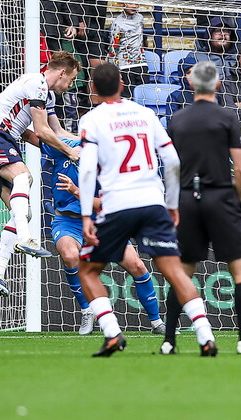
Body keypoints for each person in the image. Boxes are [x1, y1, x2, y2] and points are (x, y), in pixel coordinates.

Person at [78, 62, 218, 357]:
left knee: (88, 270)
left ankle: (112, 333)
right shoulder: (146, 114)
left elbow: (88, 170)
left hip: (116, 205)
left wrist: (87, 215)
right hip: (153, 202)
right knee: (174, 271)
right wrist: (171, 204)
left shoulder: (92, 120)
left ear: (92, 89)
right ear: (123, 84)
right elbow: (173, 160)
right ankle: (205, 336)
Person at [162, 61, 241, 354]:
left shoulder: (177, 120)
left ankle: (170, 340)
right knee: (240, 271)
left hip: (186, 198)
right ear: (218, 85)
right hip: (220, 197)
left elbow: (171, 166)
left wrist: (173, 203)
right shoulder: (228, 117)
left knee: (182, 272)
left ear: (192, 84)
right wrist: (237, 198)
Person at [0, 52, 82, 297]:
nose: (71, 85)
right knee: (25, 177)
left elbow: (57, 131)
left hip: (5, 140)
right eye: (71, 79)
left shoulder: (48, 96)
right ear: (62, 72)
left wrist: (85, 143)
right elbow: (43, 132)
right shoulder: (37, 83)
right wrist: (70, 152)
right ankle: (26, 238)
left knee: (23, 212)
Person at [42, 138, 165, 335]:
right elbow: (36, 133)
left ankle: (157, 322)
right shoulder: (63, 147)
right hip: (68, 222)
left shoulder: (111, 166)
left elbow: (107, 204)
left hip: (102, 223)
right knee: (69, 255)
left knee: (138, 266)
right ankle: (86, 310)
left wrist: (76, 192)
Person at [106, 3, 149, 97]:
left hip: (141, 63)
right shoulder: (117, 23)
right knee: (128, 97)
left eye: (137, 3)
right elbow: (113, 47)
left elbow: (142, 34)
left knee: (144, 96)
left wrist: (144, 42)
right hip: (125, 66)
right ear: (123, 4)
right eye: (131, 3)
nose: (134, 6)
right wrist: (114, 69)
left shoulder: (140, 18)